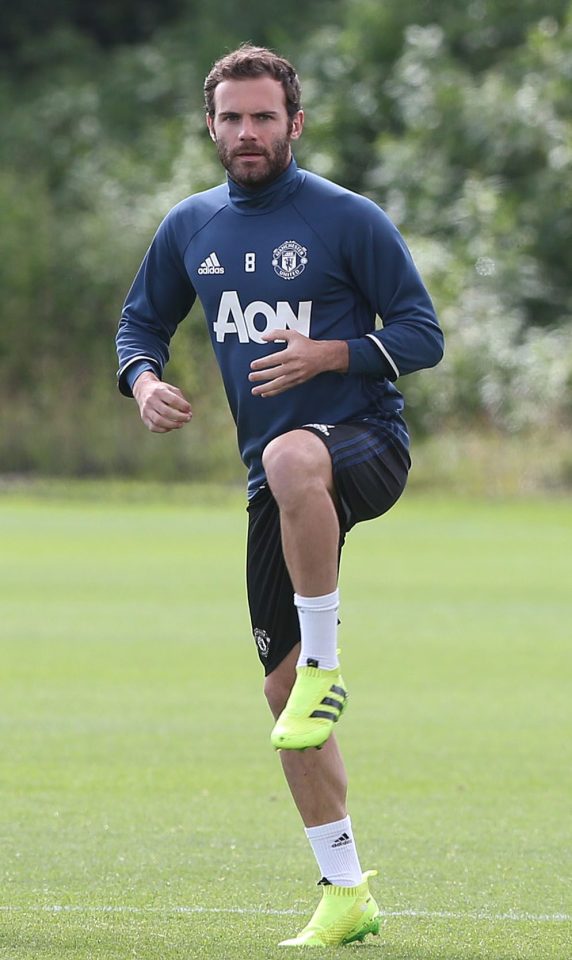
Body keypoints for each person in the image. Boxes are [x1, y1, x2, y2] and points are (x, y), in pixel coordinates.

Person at [116, 43, 444, 947]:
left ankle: (329, 668)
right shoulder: (192, 226)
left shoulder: (347, 220)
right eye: (232, 118)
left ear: (295, 123)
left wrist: (330, 354)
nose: (247, 133)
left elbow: (423, 333)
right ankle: (345, 891)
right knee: (282, 703)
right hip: (277, 478)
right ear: (212, 125)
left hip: (365, 447)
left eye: (265, 117)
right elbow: (140, 323)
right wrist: (144, 381)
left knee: (301, 456)